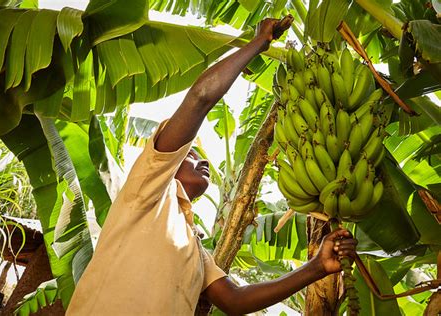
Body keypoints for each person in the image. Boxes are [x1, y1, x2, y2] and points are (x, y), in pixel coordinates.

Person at [66, 17, 358, 316]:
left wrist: (318, 267)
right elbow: (200, 98)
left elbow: (235, 301)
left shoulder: (193, 249)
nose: (203, 160)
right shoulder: (148, 188)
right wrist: (258, 43)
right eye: (191, 155)